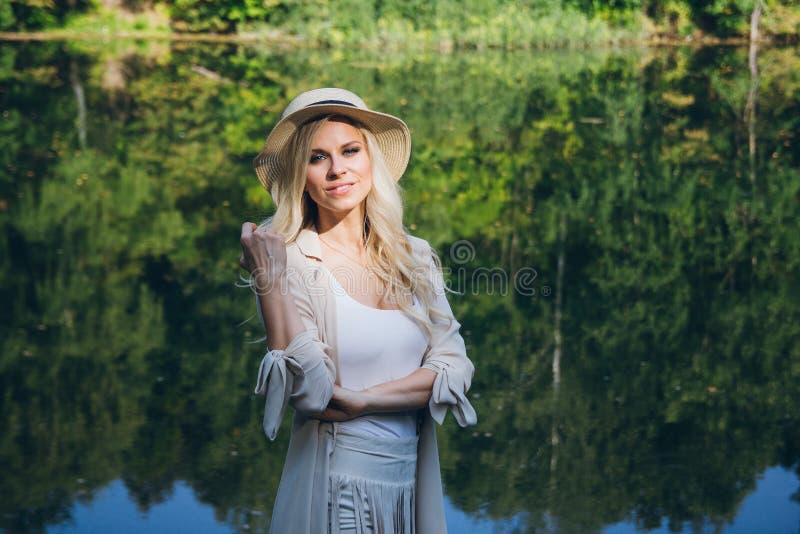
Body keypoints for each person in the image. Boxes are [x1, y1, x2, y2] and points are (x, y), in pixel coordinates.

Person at [239, 87, 477, 534]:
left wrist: (363, 400)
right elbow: (311, 394)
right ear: (299, 176)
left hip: (409, 491)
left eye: (350, 150)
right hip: (338, 492)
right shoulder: (290, 260)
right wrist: (267, 282)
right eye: (317, 158)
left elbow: (456, 368)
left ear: (371, 160)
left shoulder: (415, 256)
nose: (337, 170)